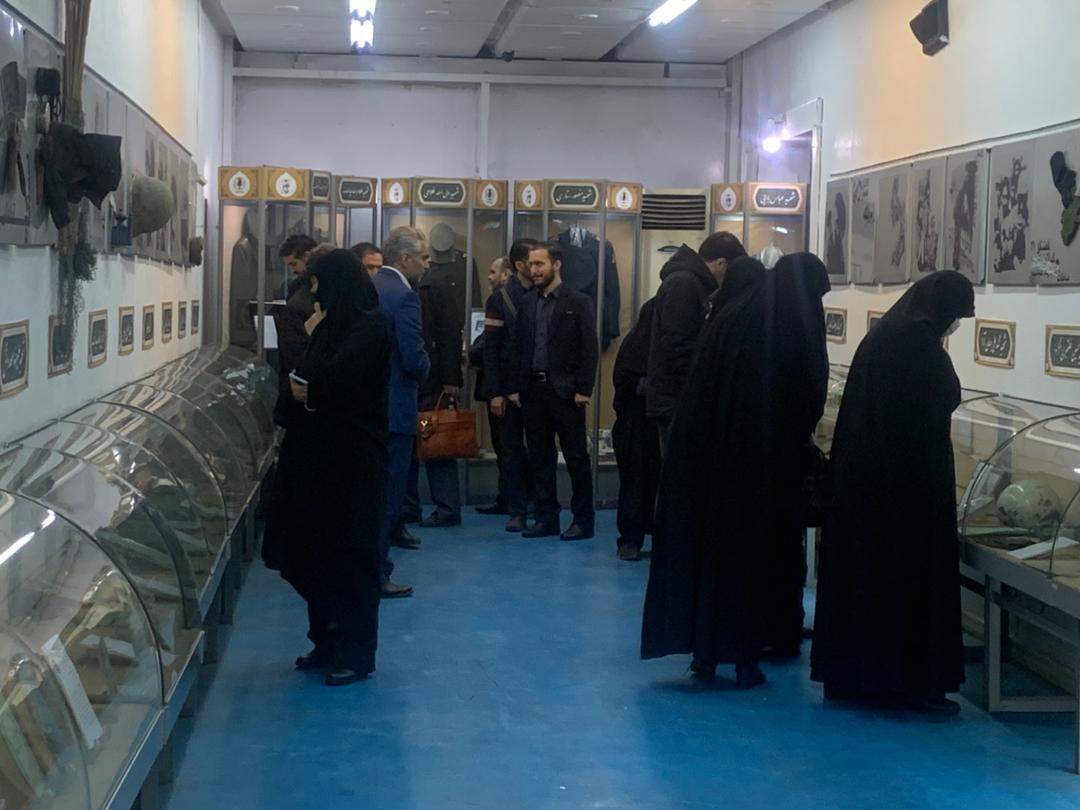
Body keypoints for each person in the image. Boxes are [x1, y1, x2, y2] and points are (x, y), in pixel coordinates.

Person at [641, 254, 828, 689]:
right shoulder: (771, 326)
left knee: (711, 561)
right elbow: (793, 398)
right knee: (747, 563)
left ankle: (706, 654)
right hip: (753, 471)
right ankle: (744, 655)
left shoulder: (727, 318)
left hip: (707, 469)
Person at [810, 271, 976, 715]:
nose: (955, 324)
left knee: (865, 579)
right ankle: (906, 683)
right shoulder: (916, 341)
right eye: (956, 316)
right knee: (905, 582)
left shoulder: (888, 332)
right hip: (905, 490)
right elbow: (946, 393)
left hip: (868, 485)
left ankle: (855, 677)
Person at [264, 249, 390, 686]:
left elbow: (332, 384)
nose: (313, 293)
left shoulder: (371, 328)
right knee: (316, 554)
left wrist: (311, 390)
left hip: (353, 465)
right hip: (316, 461)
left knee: (351, 558)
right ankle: (326, 641)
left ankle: (355, 652)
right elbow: (300, 383)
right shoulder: (328, 327)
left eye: (317, 284)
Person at [509, 242, 599, 541]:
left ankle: (583, 520)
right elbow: (519, 347)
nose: (533, 270)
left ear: (556, 265)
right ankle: (546, 518)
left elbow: (589, 348)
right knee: (539, 458)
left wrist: (584, 389)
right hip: (532, 390)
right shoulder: (526, 303)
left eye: (539, 264)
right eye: (531, 264)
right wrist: (515, 386)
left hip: (567, 392)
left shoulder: (579, 301)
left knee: (576, 458)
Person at [371, 226, 432, 598]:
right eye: (423, 257)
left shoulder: (373, 286)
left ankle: (368, 570)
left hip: (371, 406)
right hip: (396, 409)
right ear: (405, 258)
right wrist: (427, 368)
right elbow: (412, 355)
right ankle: (379, 574)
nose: (427, 264)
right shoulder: (405, 297)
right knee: (389, 499)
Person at [646, 231, 746, 456]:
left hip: (679, 398)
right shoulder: (685, 284)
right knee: (679, 469)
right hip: (677, 400)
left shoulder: (692, 283)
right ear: (721, 264)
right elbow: (678, 346)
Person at [404, 241, 466, 529]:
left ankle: (445, 507)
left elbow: (450, 332)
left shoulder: (434, 287)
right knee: (420, 444)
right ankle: (418, 506)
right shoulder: (421, 287)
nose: (428, 263)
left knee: (436, 444)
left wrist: (451, 379)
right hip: (421, 378)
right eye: (424, 257)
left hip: (430, 381)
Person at [480, 238, 537, 530]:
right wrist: (495, 392)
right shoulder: (499, 300)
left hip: (536, 387)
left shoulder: (543, 295)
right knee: (511, 451)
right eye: (532, 262)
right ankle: (517, 509)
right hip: (506, 386)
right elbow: (491, 350)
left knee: (539, 448)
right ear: (519, 265)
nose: (537, 267)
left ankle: (539, 504)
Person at [611, 297, 660, 562]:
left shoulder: (636, 342)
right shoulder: (637, 346)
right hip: (637, 425)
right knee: (636, 483)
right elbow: (624, 383)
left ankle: (635, 539)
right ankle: (631, 538)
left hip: (647, 423)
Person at [469, 257, 512, 521]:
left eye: (493, 271)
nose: (489, 276)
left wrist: (472, 353)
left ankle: (510, 497)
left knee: (505, 445)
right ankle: (507, 496)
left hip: (500, 384)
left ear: (507, 274)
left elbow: (488, 345)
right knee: (504, 445)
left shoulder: (499, 301)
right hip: (504, 384)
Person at [271, 234, 318, 427]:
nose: (292, 271)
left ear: (307, 256)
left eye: (293, 264)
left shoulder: (299, 298)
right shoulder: (300, 292)